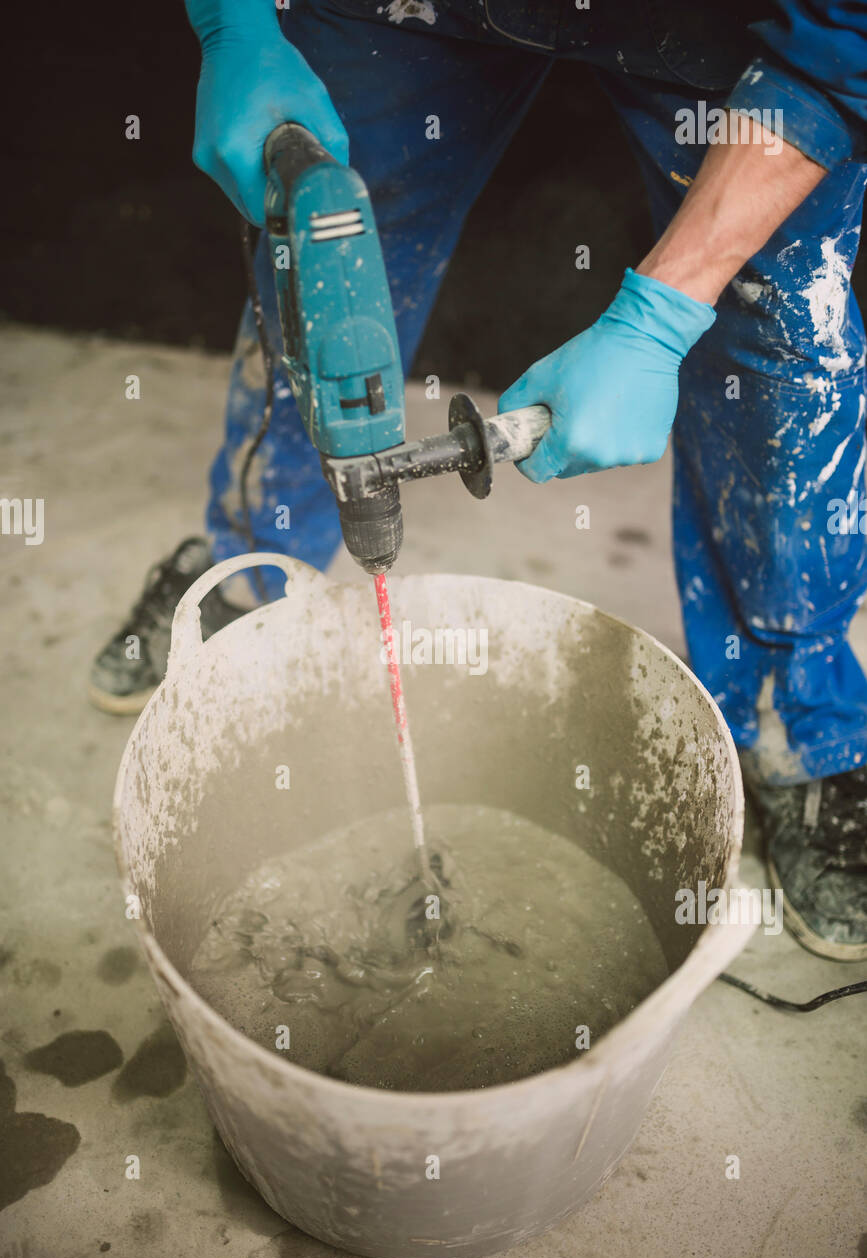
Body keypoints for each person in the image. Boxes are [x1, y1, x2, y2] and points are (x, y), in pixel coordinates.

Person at [91, 0, 867, 961]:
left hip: (733, 24)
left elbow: (847, 42)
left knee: (774, 323)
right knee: (319, 255)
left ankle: (795, 720)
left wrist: (663, 313)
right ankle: (253, 574)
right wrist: (233, 28)